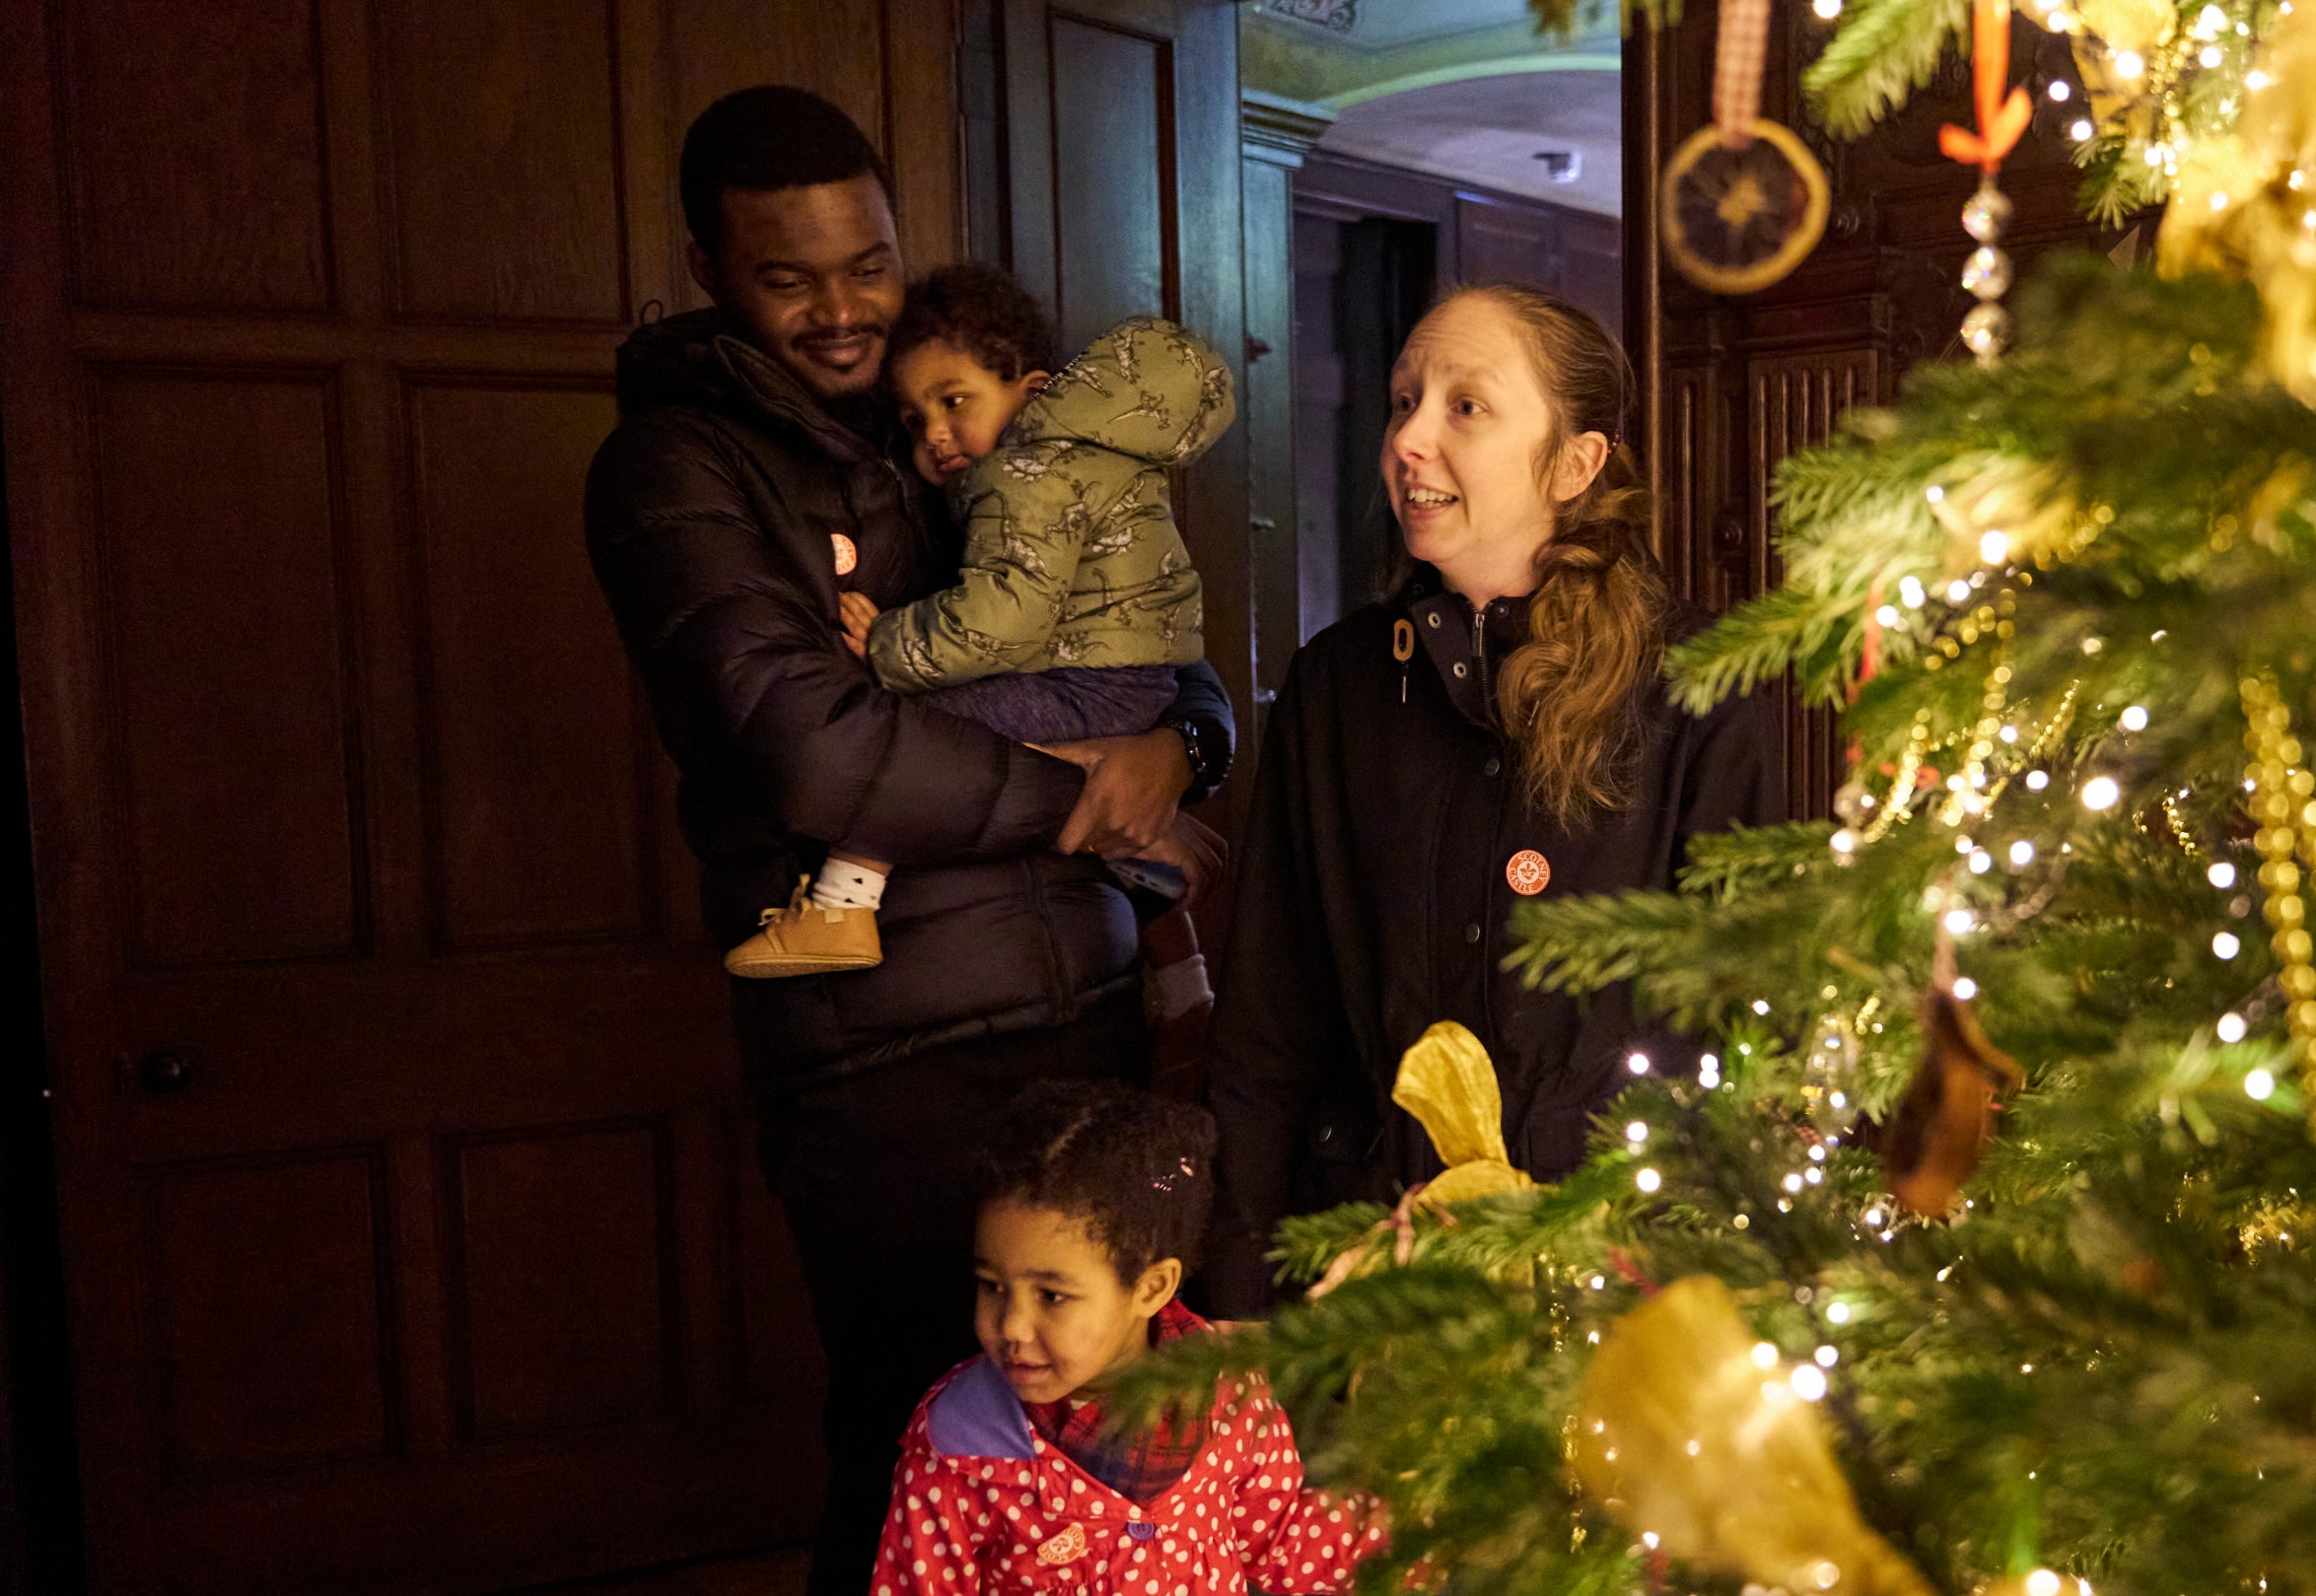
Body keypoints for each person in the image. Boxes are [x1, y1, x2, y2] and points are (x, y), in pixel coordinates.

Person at [580, 87, 1230, 1596]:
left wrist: (1179, 746)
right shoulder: (675, 468)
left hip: (1092, 1016)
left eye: (864, 264)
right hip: (883, 1058)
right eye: (787, 276)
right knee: (919, 1455)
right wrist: (1088, 796)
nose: (839, 309)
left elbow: (1143, 628)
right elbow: (813, 745)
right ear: (707, 265)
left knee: (1092, 1455)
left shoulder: (958, 413)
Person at [1202, 285, 1790, 1318]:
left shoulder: (1700, 685)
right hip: (1371, 1275)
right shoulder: (1336, 687)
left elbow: (1752, 1029)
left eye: (1465, 406)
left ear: (1575, 463)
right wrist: (1242, 1295)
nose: (1409, 439)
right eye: (1402, 401)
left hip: (1621, 1280)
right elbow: (1269, 1023)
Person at [725, 265, 1230, 980]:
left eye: (954, 400)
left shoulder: (1025, 478)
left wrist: (888, 643)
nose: (934, 433)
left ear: (1031, 392)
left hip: (1088, 686)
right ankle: (1178, 961)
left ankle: (840, 908)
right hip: (1123, 686)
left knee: (914, 745)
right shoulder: (1094, 468)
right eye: (912, 418)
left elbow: (1004, 619)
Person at [875, 1082, 1382, 1593]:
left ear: (1151, 1287)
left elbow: (1280, 1547)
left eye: (1051, 1296)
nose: (1010, 1326)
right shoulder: (957, 1449)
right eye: (992, 1287)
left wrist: (1418, 1529)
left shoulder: (1232, 1395)